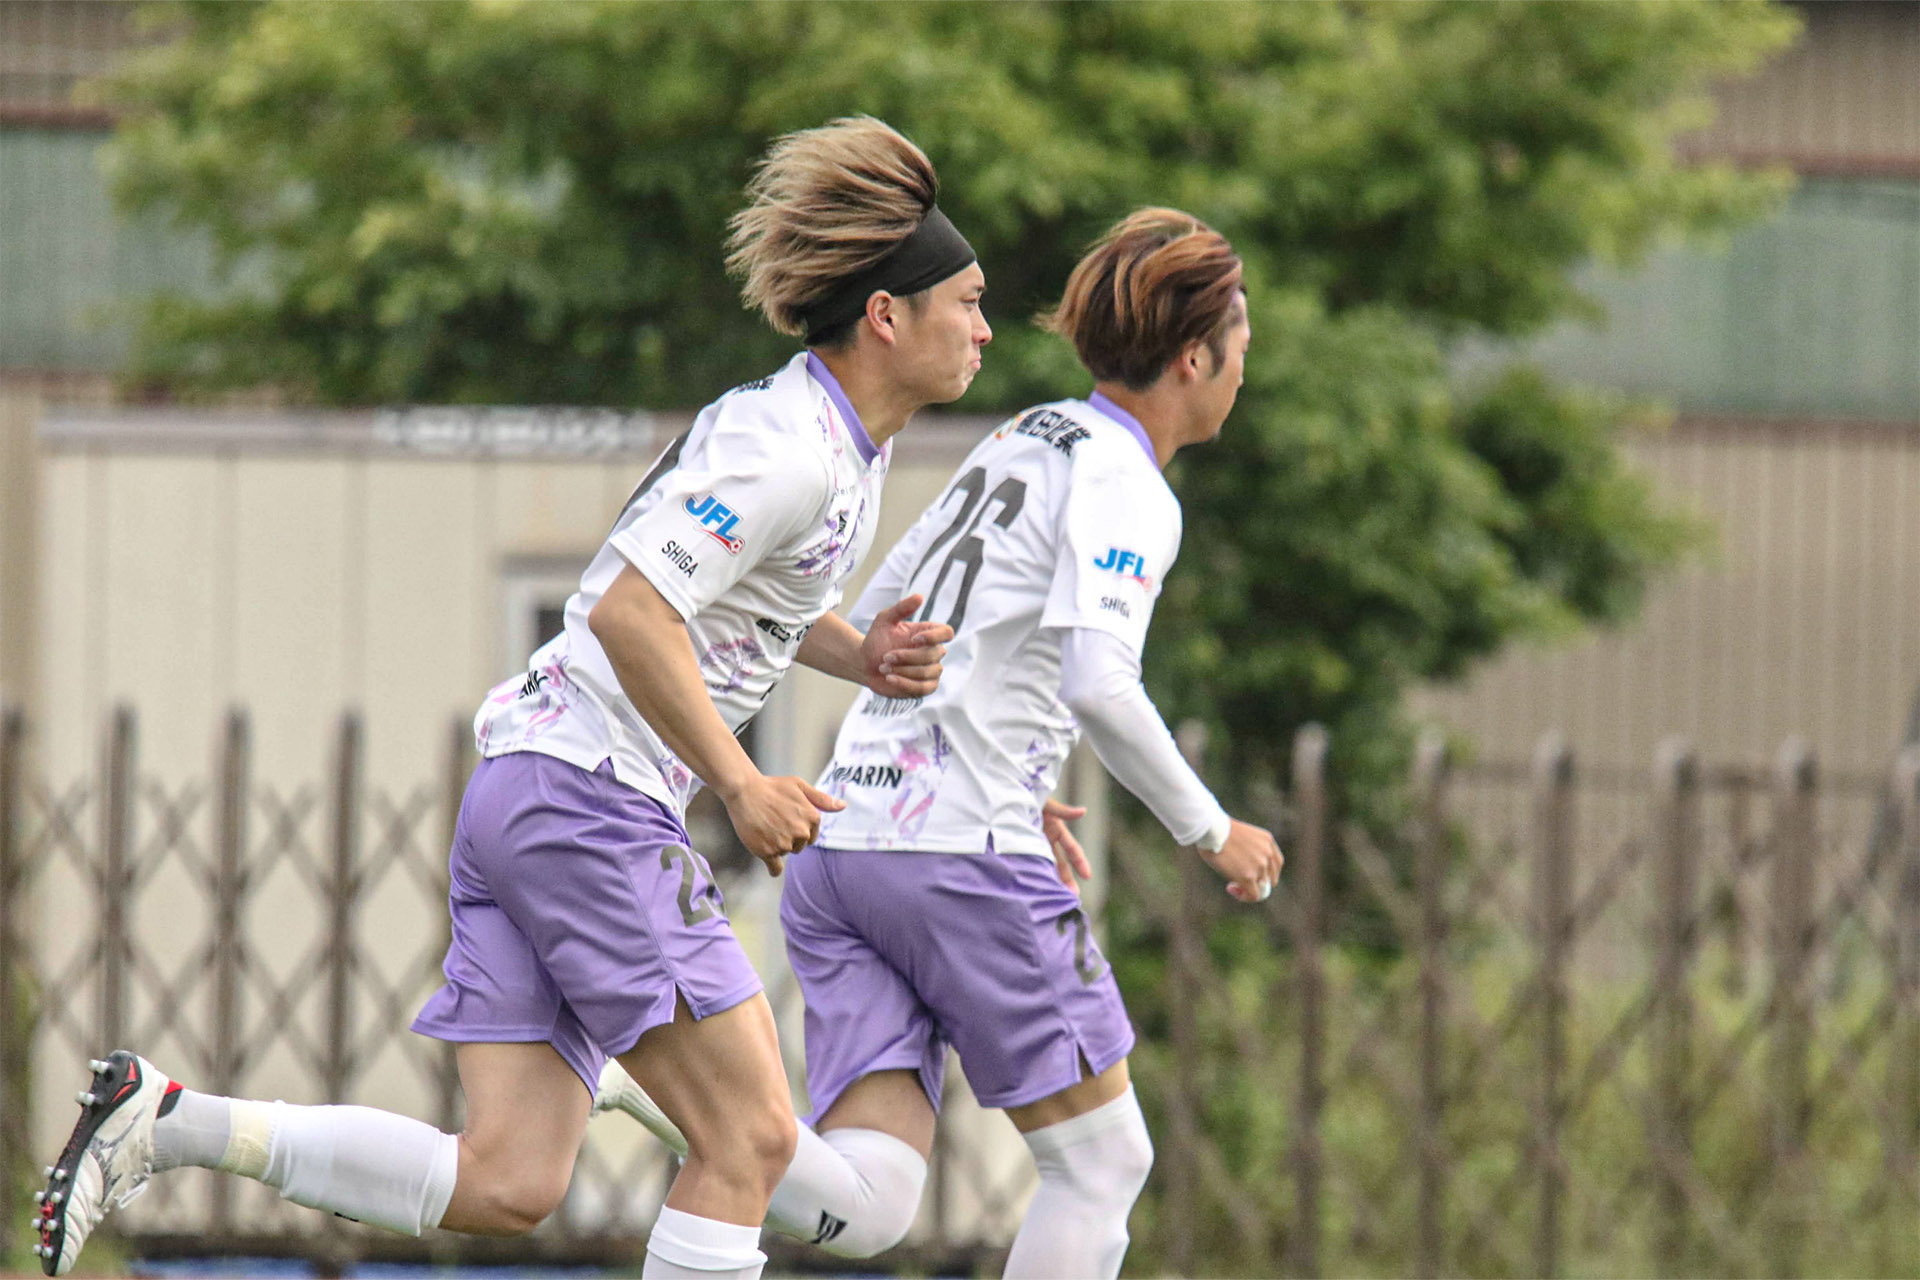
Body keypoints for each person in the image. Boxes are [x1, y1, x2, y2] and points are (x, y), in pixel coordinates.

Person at [32, 115, 987, 1280]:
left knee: (509, 1177)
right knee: (748, 1138)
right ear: (887, 315)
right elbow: (630, 613)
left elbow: (739, 601)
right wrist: (740, 781)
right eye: (968, 303)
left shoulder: (834, 443)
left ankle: (171, 1119)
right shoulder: (791, 448)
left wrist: (861, 653)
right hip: (592, 803)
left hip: (532, 792)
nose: (985, 328)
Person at [596, 207, 1284, 1277]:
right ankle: (697, 1100)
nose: (1243, 371)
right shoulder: (1129, 484)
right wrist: (1212, 829)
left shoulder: (1028, 436)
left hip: (847, 846)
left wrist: (1005, 760)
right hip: (961, 856)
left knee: (873, 1199)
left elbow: (892, 622)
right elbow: (1100, 682)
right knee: (1102, 1162)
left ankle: (671, 1096)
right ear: (1196, 358)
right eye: (1242, 347)